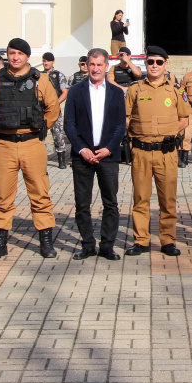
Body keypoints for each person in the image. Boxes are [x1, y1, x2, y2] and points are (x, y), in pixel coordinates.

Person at [0, 38, 60, 259]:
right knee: (2, 194)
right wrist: (1, 123)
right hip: (5, 144)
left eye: (20, 54)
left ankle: (45, 241)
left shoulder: (41, 80)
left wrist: (39, 126)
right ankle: (0, 242)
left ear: (27, 56)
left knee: (40, 193)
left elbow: (53, 109)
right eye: (12, 53)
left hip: (32, 143)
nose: (15, 57)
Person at [125, 46, 191, 256]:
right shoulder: (135, 89)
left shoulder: (176, 90)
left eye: (159, 62)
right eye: (150, 62)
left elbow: (184, 119)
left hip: (166, 153)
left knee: (168, 200)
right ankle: (141, 240)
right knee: (140, 199)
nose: (154, 66)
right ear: (145, 63)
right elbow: (126, 118)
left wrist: (167, 132)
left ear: (166, 64)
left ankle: (168, 240)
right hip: (141, 153)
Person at [63, 48, 127, 261]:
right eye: (92, 64)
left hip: (108, 155)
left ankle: (107, 246)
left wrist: (109, 148)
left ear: (107, 66)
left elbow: (120, 125)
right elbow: (69, 124)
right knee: (82, 204)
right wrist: (82, 149)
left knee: (111, 203)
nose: (96, 69)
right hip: (83, 156)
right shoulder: (75, 91)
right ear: (87, 65)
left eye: (100, 65)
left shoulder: (116, 92)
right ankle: (88, 244)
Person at [41, 52, 69, 169]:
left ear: (53, 62)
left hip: (54, 110)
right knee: (41, 135)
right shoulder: (39, 75)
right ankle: (41, 159)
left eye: (48, 61)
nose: (46, 63)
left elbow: (65, 92)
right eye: (44, 61)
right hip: (41, 110)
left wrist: (54, 104)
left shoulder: (58, 75)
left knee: (58, 135)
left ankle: (61, 159)